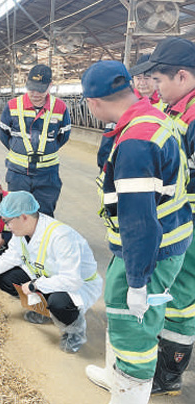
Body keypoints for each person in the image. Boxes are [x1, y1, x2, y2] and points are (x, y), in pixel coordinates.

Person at [81, 60, 193, 403]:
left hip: (151, 250)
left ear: (93, 103)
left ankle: (129, 393)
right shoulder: (149, 117)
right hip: (162, 240)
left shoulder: (136, 142)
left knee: (133, 328)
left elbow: (139, 221)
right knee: (120, 313)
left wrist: (138, 281)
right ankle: (117, 377)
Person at [0, 191, 102, 353]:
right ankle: (45, 311)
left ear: (24, 217)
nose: (7, 227)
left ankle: (74, 330)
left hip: (76, 284)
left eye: (8, 222)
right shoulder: (22, 232)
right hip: (44, 275)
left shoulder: (61, 236)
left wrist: (36, 285)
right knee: (4, 276)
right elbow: (10, 257)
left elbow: (72, 280)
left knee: (58, 302)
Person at [136, 37, 195, 397]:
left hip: (190, 220)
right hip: (181, 217)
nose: (153, 89)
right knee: (177, 291)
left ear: (183, 76)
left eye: (158, 80)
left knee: (182, 296)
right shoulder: (177, 108)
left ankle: (170, 373)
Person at [0, 64, 71, 217]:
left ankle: (42, 241)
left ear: (50, 86)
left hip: (47, 174)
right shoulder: (12, 106)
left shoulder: (60, 107)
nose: (35, 93)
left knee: (44, 215)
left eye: (41, 89)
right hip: (18, 173)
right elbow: (4, 135)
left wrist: (47, 149)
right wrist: (20, 150)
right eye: (31, 88)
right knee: (18, 215)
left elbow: (63, 136)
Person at [96, 54, 164, 172]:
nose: (142, 82)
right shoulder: (124, 103)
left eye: (147, 78)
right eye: (138, 78)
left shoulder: (166, 104)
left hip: (155, 166)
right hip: (124, 163)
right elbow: (108, 139)